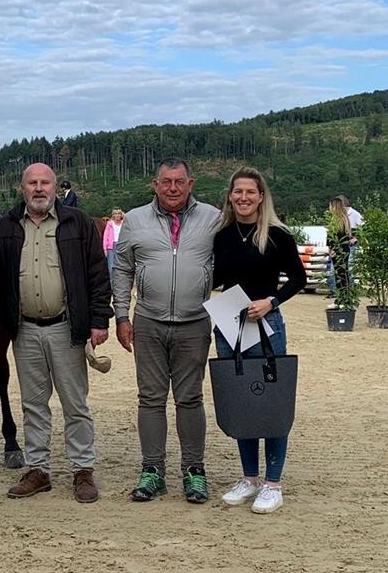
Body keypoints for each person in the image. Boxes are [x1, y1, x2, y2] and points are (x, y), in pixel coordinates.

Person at [0, 163, 112, 503]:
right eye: (32, 183)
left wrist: (99, 320)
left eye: (45, 182)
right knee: (33, 405)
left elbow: (98, 275)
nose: (39, 188)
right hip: (24, 330)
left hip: (66, 328)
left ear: (56, 187)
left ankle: (83, 470)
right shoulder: (5, 228)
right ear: (22, 188)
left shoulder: (78, 224)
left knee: (75, 404)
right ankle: (38, 469)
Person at [112, 157, 222, 504]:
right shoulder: (134, 220)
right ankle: (152, 470)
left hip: (194, 322)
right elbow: (122, 269)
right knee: (150, 398)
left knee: (190, 398)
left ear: (191, 184)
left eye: (179, 181)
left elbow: (235, 260)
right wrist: (121, 316)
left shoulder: (213, 218)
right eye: (166, 182)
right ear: (155, 185)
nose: (172, 188)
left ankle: (194, 471)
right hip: (148, 322)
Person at [211, 166, 307, 514]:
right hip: (229, 323)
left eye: (250, 191)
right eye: (238, 191)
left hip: (267, 324)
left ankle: (273, 483)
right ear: (230, 196)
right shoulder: (221, 236)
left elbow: (297, 278)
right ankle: (249, 478)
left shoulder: (278, 236)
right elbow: (215, 278)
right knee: (241, 401)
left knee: (271, 401)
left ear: (261, 196)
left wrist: (272, 301)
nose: (243, 197)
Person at [326, 196, 352, 306]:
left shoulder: (337, 221)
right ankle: (344, 299)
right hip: (343, 250)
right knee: (343, 275)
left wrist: (332, 249)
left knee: (340, 275)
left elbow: (335, 238)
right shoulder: (344, 220)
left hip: (339, 251)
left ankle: (342, 300)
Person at [102, 208, 124, 284]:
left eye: (119, 213)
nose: (117, 215)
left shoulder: (124, 223)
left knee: (121, 266)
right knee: (111, 267)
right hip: (111, 246)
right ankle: (111, 285)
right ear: (113, 215)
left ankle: (120, 284)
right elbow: (105, 237)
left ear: (121, 215)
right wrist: (105, 249)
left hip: (121, 245)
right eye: (115, 214)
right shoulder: (109, 224)